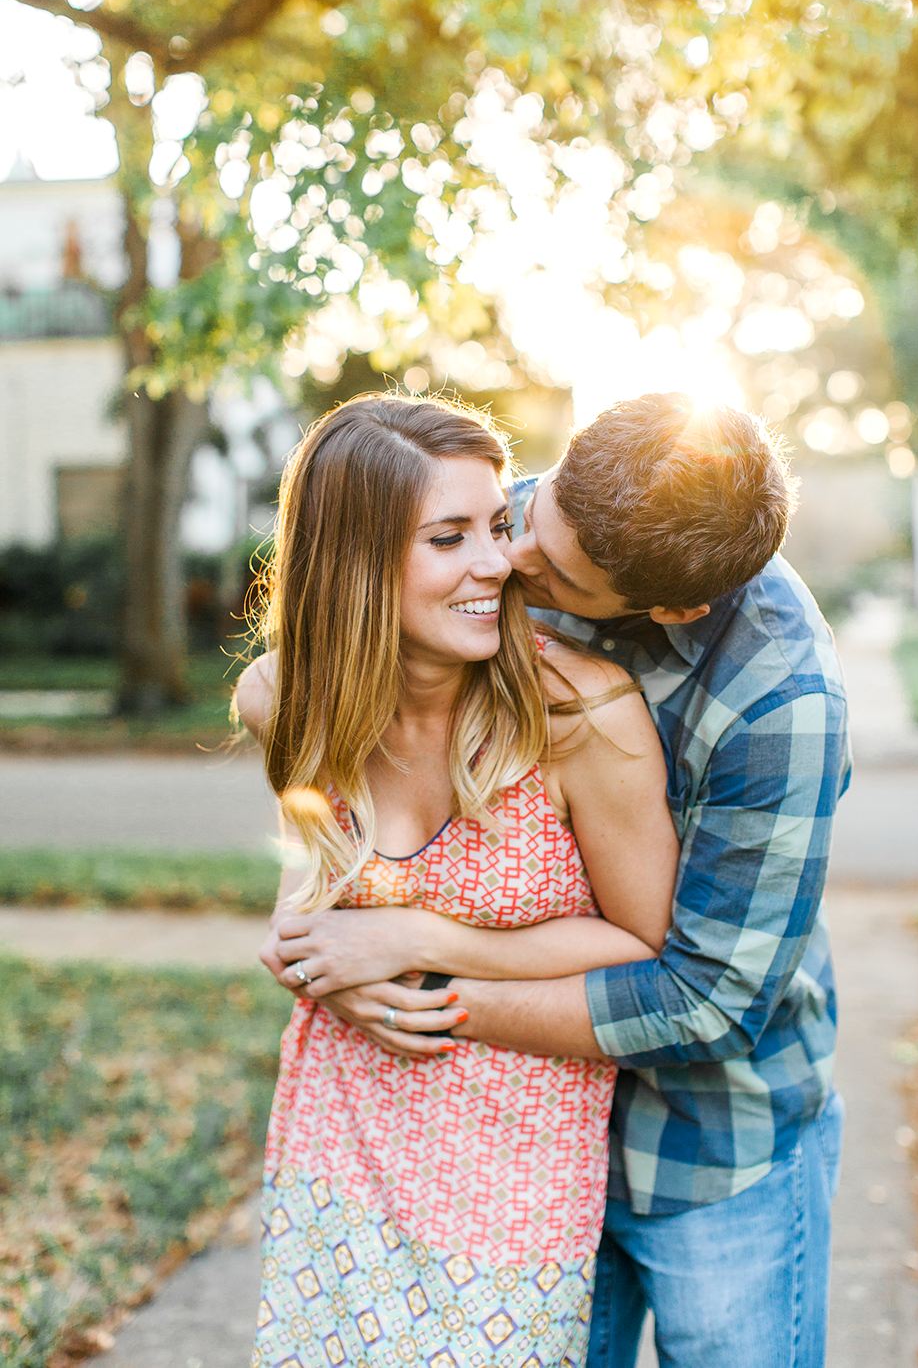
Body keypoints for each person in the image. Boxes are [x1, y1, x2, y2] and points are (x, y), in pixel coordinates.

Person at [269, 392, 851, 1368]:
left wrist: (412, 977)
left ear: (669, 608)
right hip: (515, 1145)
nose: (509, 565)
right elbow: (326, 678)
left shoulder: (778, 702)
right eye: (517, 519)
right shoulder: (538, 523)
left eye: (545, 563)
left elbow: (702, 1002)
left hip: (710, 1143)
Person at [236, 394, 678, 1368]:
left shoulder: (582, 714)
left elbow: (642, 945)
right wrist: (303, 949)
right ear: (353, 563)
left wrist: (421, 940)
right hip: (339, 1139)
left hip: (516, 1166)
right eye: (449, 537)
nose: (496, 563)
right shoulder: (282, 698)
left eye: (497, 525)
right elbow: (309, 876)